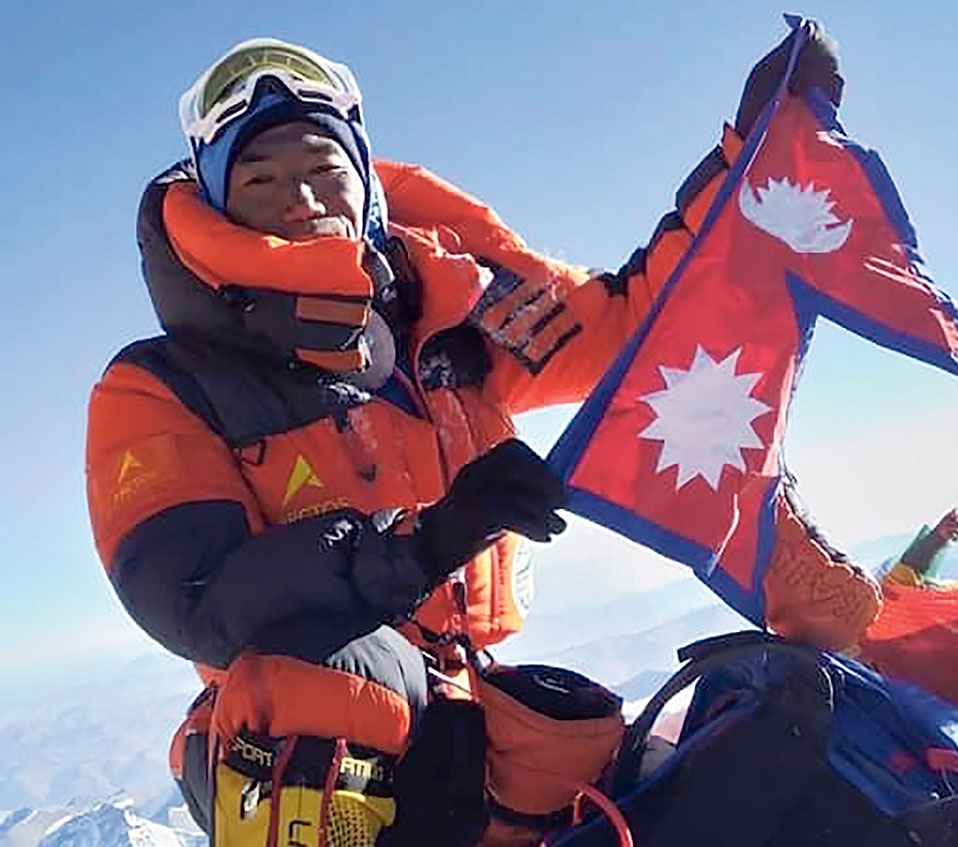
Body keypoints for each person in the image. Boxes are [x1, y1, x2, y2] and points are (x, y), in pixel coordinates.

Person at [85, 27, 878, 847]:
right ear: (219, 204)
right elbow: (195, 596)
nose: (303, 198)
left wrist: (749, 159)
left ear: (365, 183)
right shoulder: (158, 386)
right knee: (327, 684)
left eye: (325, 168)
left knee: (722, 766)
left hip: (469, 715)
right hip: (315, 752)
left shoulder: (452, 317)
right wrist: (424, 541)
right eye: (260, 178)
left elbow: (634, 326)